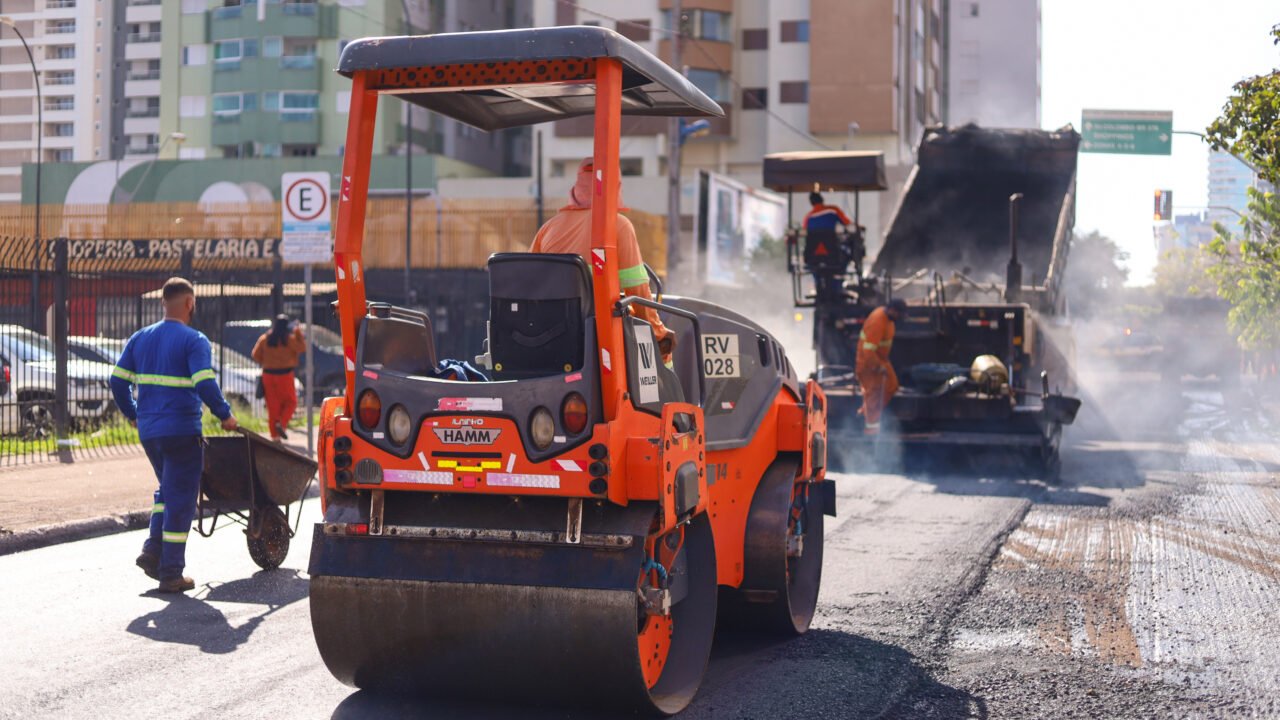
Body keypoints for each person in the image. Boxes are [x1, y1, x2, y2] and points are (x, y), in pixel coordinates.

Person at [110, 277, 238, 593]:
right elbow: (204, 381)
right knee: (181, 499)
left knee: (167, 490)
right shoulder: (194, 340)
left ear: (163, 303)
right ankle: (171, 573)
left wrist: (134, 414)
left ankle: (153, 550)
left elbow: (117, 381)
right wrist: (224, 414)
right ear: (190, 303)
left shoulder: (140, 338)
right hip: (181, 431)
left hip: (150, 432)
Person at [530, 157, 675, 361]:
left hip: (549, 338)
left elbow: (530, 286)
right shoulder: (618, 225)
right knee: (663, 357)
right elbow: (637, 291)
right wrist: (659, 335)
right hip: (600, 339)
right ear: (615, 187)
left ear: (576, 187)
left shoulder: (548, 229)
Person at [856, 299, 907, 436]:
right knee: (874, 394)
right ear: (892, 310)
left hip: (880, 360)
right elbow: (868, 351)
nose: (900, 318)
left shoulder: (888, 320)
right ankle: (870, 430)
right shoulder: (878, 322)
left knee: (891, 385)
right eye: (899, 314)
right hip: (868, 363)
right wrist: (878, 367)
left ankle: (864, 413)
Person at [251, 314, 306, 441]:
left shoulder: (265, 339)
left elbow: (255, 355)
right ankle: (281, 423)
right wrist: (297, 331)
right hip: (285, 375)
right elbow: (302, 348)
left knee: (273, 407)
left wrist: (266, 362)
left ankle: (275, 437)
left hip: (268, 376)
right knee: (291, 402)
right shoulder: (289, 340)